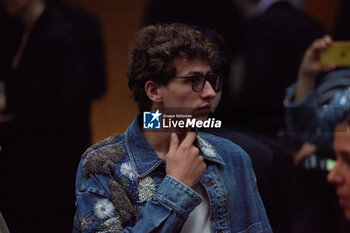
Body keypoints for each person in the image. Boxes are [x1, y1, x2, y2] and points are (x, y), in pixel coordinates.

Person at [73, 23, 272, 233]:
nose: (210, 92)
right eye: (194, 80)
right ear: (154, 91)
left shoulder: (232, 158)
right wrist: (178, 187)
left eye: (210, 80)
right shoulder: (103, 166)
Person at [0, 0, 106, 232]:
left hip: (50, 176)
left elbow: (67, 108)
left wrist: (12, 117)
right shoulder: (17, 29)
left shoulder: (57, 37)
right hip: (24, 173)